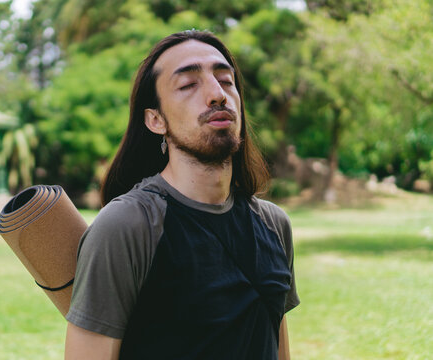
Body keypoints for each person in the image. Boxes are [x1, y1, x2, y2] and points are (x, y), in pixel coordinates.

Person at [64, 30, 299, 360]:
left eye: (226, 81)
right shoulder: (127, 226)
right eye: (189, 85)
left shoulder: (275, 225)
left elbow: (277, 347)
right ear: (156, 120)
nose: (217, 94)